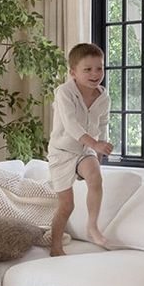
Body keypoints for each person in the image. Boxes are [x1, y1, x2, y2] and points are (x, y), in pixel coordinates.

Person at [47, 42, 112, 256]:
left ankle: (92, 226)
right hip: (62, 152)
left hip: (85, 151)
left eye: (99, 68)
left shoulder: (103, 97)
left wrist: (99, 150)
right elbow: (71, 124)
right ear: (73, 73)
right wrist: (95, 144)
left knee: (96, 177)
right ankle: (55, 246)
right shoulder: (64, 93)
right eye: (88, 69)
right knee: (66, 205)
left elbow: (102, 124)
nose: (95, 74)